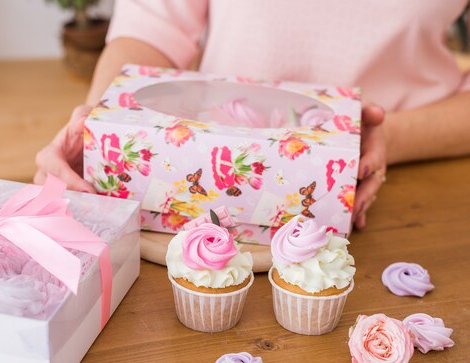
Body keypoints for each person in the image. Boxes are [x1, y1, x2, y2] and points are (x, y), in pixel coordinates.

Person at [35, 1, 470, 230]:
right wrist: (97, 127)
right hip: (192, 172)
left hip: (413, 188)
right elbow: (153, 26)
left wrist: (386, 137)